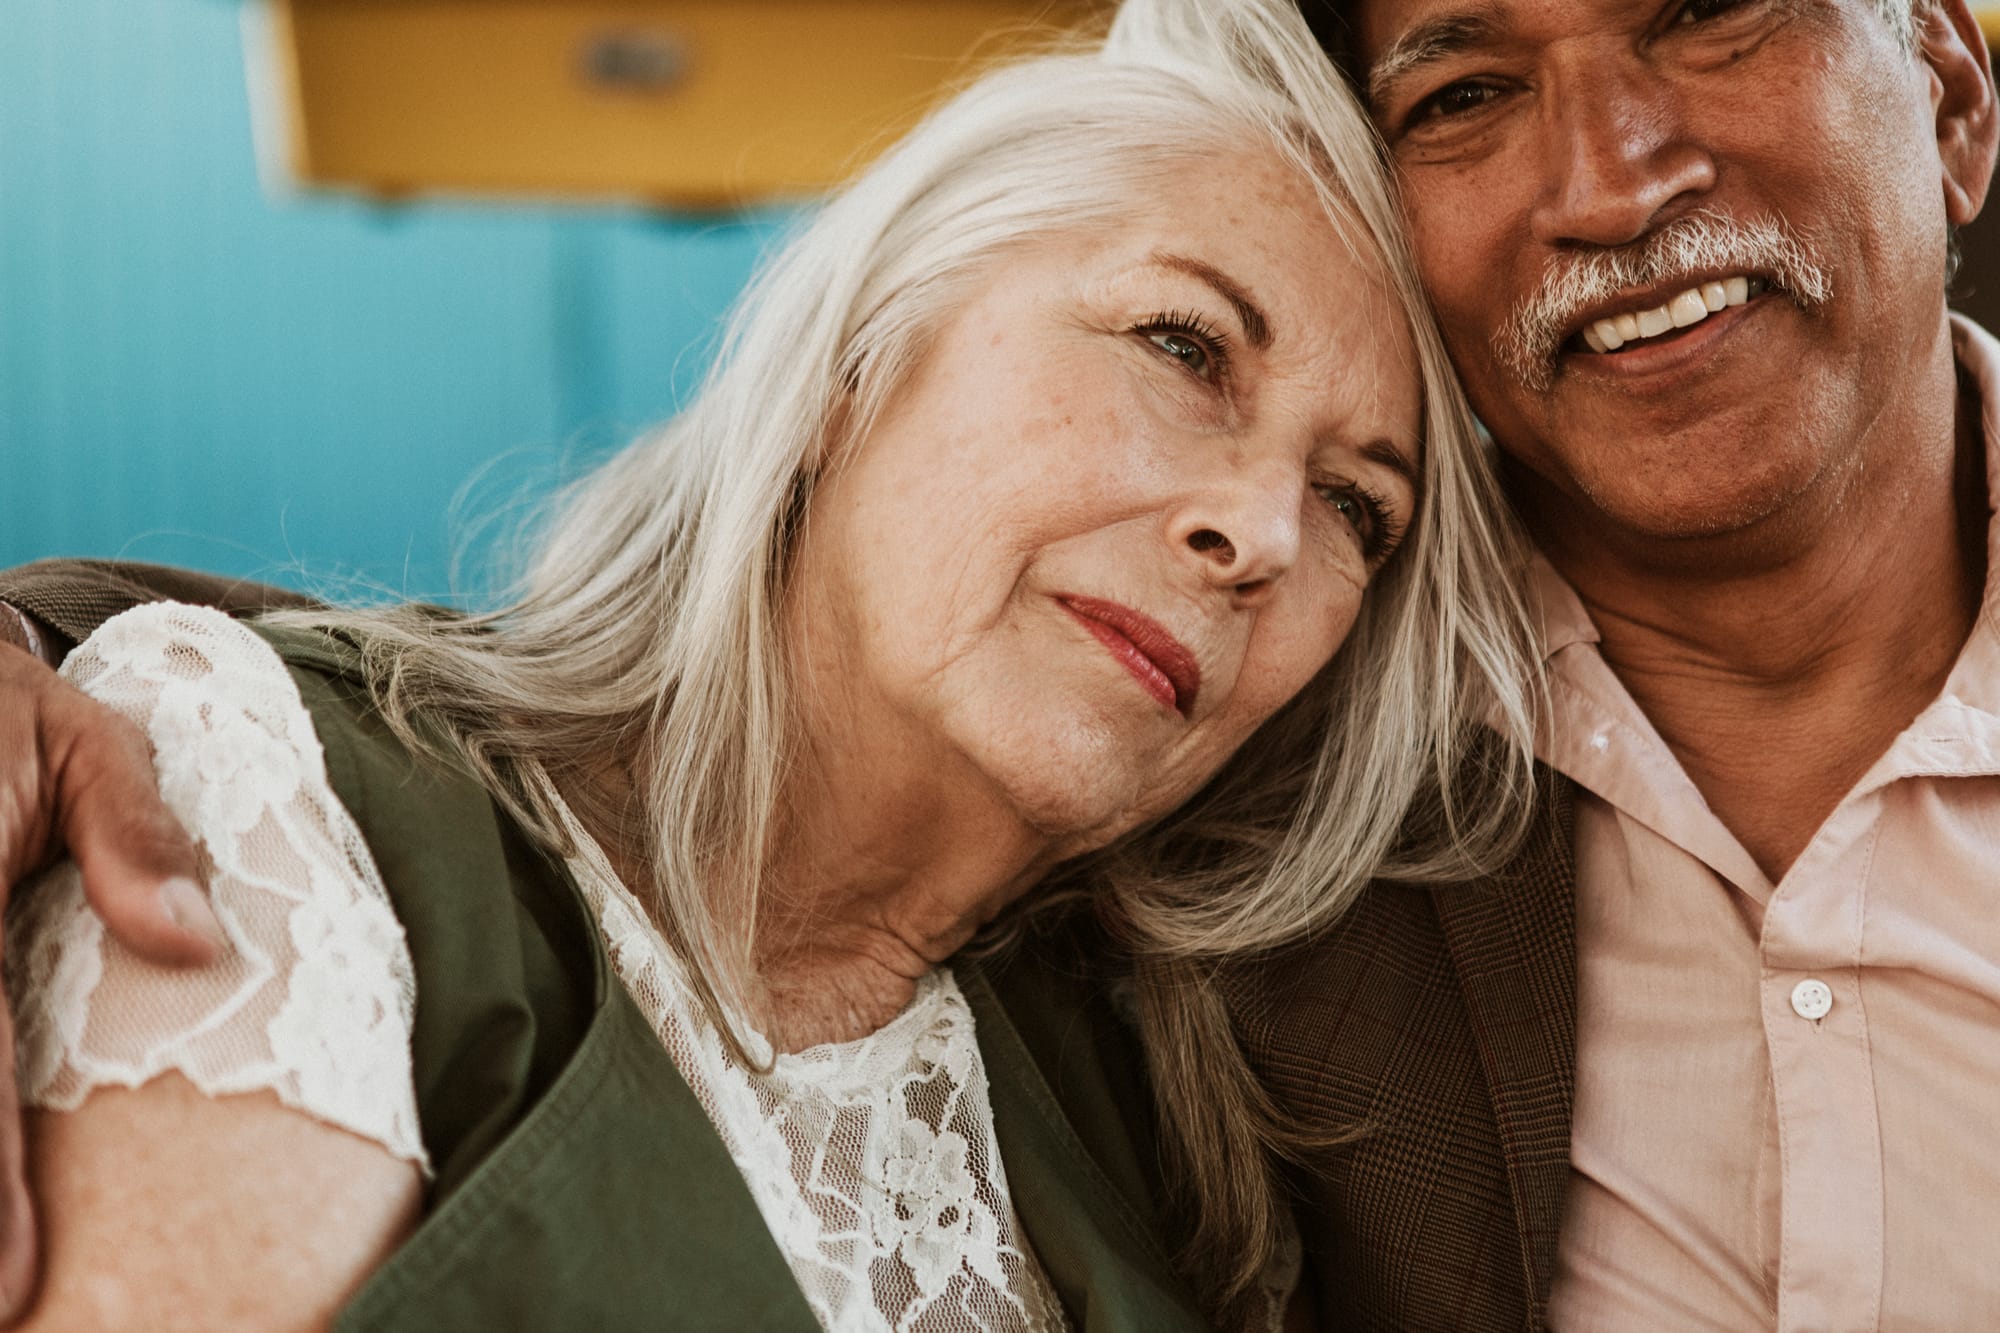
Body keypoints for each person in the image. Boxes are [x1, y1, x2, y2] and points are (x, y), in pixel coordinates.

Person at [0, 0, 1541, 1328]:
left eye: (1358, 504)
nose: (1263, 527)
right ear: (863, 352)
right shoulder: (277, 815)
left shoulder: (1180, 1140)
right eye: (1184, 345)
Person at [1203, 0, 2000, 1328]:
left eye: (1711, 20)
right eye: (1463, 99)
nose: (1612, 187)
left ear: (1952, 100)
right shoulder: (1242, 791)